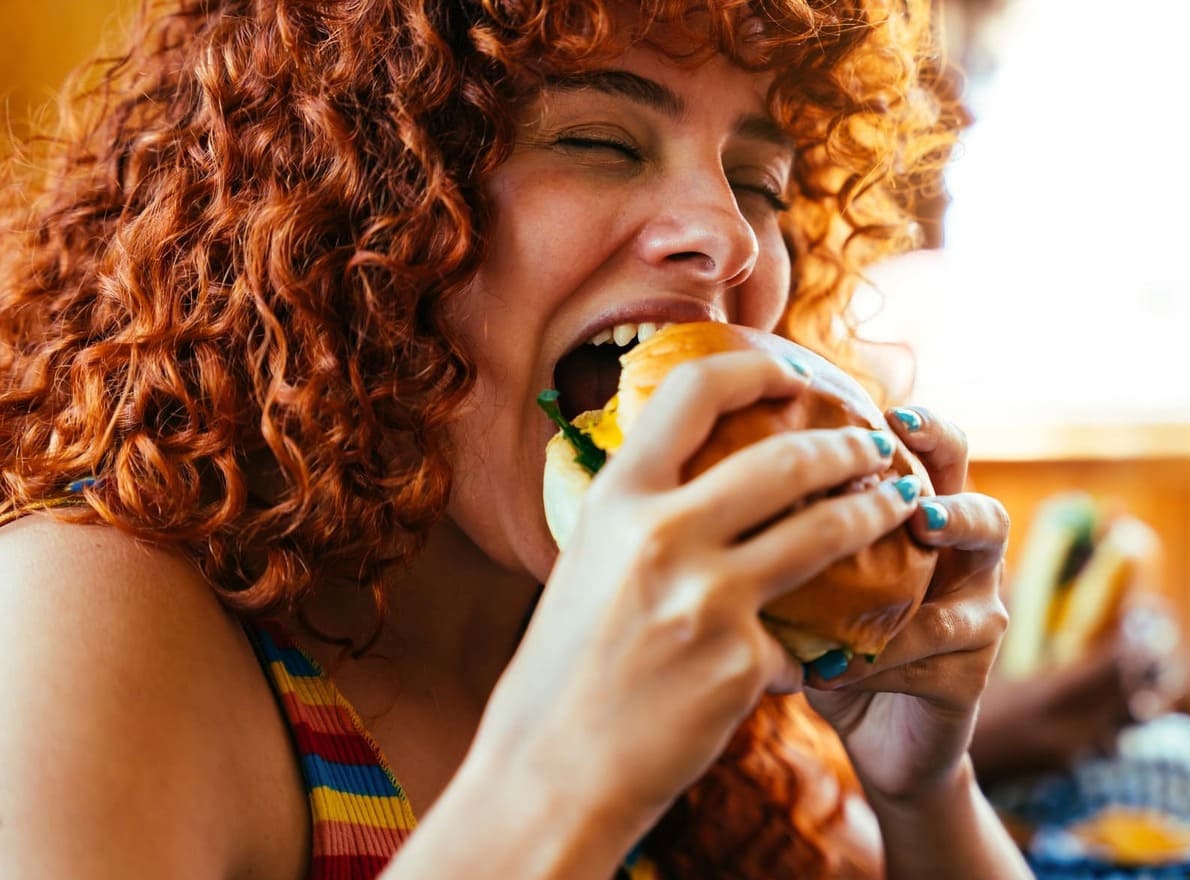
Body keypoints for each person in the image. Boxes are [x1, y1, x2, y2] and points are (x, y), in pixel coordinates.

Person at [0, 1, 1031, 877]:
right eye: (599, 141)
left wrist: (922, 792)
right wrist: (570, 773)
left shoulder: (705, 668)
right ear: (356, 209)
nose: (724, 232)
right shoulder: (82, 612)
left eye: (759, 182)